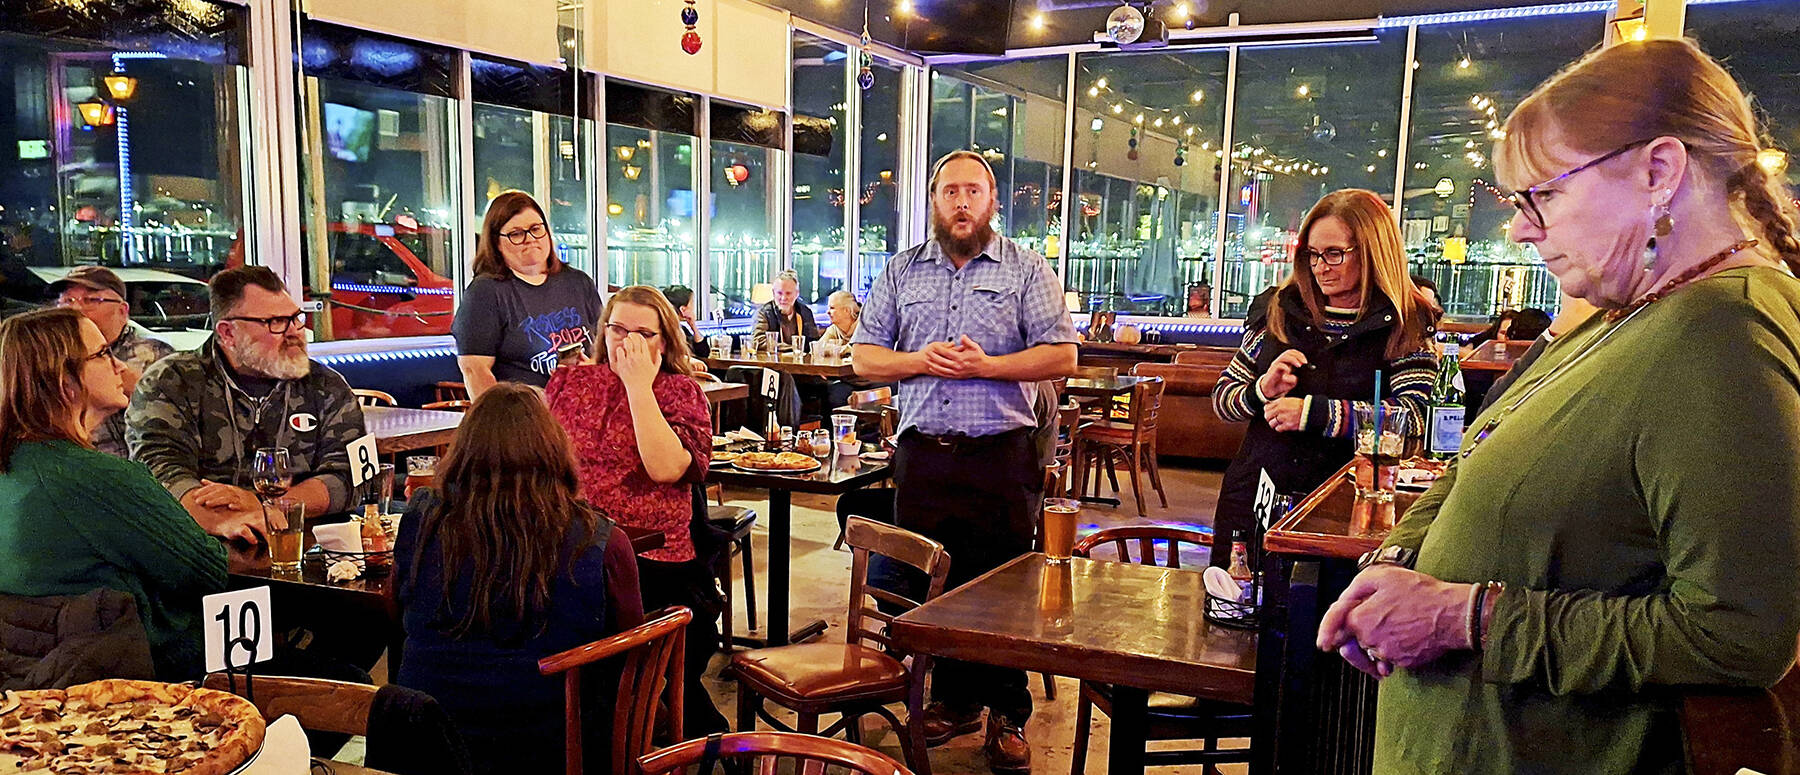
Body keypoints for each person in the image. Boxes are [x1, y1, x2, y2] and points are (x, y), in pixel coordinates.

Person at [1317, 39, 1800, 774]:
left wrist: (1462, 616)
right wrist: (1397, 560)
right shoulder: (1627, 314)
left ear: (1658, 171)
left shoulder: (1723, 333)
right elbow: (1469, 459)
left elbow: (1737, 634)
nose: (1519, 228)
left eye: (1542, 195)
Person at [852, 149, 1078, 774]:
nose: (960, 202)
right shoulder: (900, 273)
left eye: (972, 191)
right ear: (932, 202)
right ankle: (953, 699)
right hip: (924, 456)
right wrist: (923, 359)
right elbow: (865, 360)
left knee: (1003, 587)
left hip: (1000, 458)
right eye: (948, 191)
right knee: (935, 584)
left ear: (993, 201)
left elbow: (1062, 357)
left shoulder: (1027, 271)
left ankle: (1008, 713)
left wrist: (989, 367)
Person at [396, 383, 644, 774]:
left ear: (463, 451)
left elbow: (400, 612)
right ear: (554, 450)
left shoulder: (420, 521)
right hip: (555, 747)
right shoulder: (602, 541)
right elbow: (633, 655)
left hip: (425, 741)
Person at [1210, 189, 1437, 565]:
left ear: (1373, 251)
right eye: (1312, 254)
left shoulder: (1405, 323)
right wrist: (1261, 389)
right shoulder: (1279, 308)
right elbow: (1222, 399)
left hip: (1348, 509)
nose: (1320, 267)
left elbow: (1413, 419)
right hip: (1254, 496)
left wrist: (1313, 414)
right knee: (1236, 613)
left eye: (1334, 254)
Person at [545, 284, 730, 736]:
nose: (626, 342)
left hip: (656, 561)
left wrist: (637, 386)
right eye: (617, 329)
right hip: (577, 554)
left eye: (642, 333)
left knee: (656, 676)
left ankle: (711, 746)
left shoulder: (681, 392)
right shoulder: (569, 383)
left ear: (663, 341)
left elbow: (666, 468)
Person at [0, 308, 225, 680]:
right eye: (103, 354)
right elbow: (208, 572)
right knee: (339, 675)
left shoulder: (15, 468)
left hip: (32, 688)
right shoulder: (94, 476)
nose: (120, 366)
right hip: (138, 684)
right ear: (64, 381)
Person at [127, 266, 364, 544]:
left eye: (296, 319)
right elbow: (158, 471)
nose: (295, 333)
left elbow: (352, 476)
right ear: (228, 333)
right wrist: (226, 518)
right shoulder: (172, 381)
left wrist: (271, 507)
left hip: (304, 547)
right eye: (276, 322)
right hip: (200, 546)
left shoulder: (324, 384)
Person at [454, 191, 604, 397]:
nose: (530, 239)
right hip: (524, 417)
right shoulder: (486, 292)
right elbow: (475, 370)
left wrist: (592, 367)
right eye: (516, 234)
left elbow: (603, 348)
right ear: (496, 242)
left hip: (583, 409)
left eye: (536, 229)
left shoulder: (579, 282)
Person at [50, 266, 175, 457]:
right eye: (67, 300)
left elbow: (181, 416)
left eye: (91, 300)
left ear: (123, 311)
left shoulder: (155, 354)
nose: (75, 309)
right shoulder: (44, 358)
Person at [750, 269, 820, 351]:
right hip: (772, 361)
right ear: (773, 293)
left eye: (788, 293)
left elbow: (813, 342)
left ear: (797, 293)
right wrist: (793, 349)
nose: (783, 298)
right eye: (779, 293)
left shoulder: (805, 312)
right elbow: (758, 341)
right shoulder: (764, 313)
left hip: (800, 361)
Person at [663, 284, 711, 358]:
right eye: (692, 304)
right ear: (683, 309)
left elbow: (703, 353)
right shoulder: (669, 331)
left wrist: (693, 326)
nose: (693, 308)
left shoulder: (682, 329)